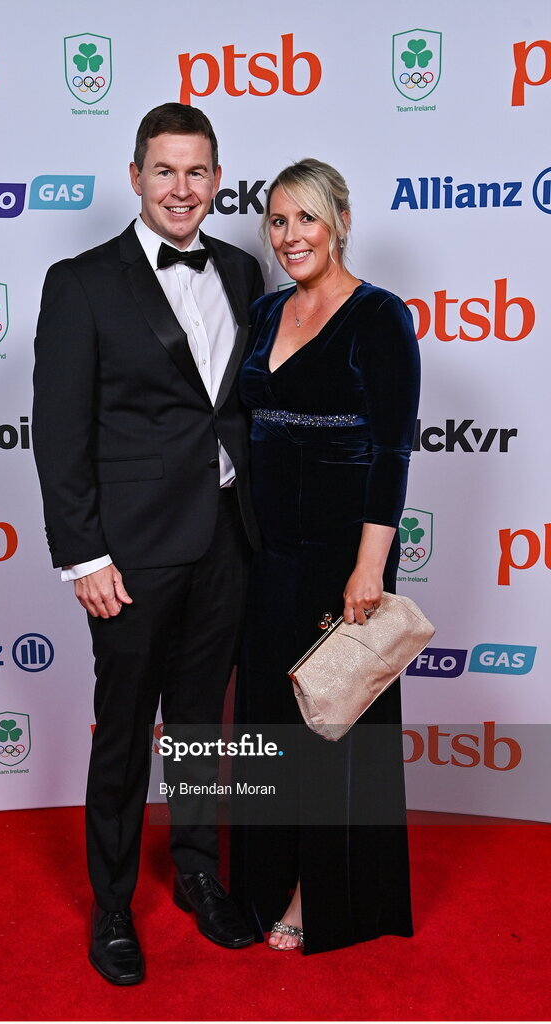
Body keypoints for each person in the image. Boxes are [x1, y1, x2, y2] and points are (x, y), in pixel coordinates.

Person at [32, 103, 264, 985]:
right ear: (135, 177)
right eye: (165, 171)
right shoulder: (81, 280)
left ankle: (200, 873)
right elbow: (59, 433)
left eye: (198, 171)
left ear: (217, 178)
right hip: (129, 554)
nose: (182, 188)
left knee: (202, 723)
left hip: (227, 543)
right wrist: (84, 557)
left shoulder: (243, 271)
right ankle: (113, 903)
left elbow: (240, 407)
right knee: (126, 732)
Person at [230, 159, 420, 954]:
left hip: (344, 557)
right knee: (272, 720)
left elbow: (392, 449)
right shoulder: (268, 309)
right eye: (277, 220)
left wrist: (370, 566)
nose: (289, 236)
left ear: (339, 220)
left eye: (306, 218)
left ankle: (324, 891)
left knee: (331, 724)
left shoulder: (380, 316)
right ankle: (266, 874)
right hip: (262, 553)